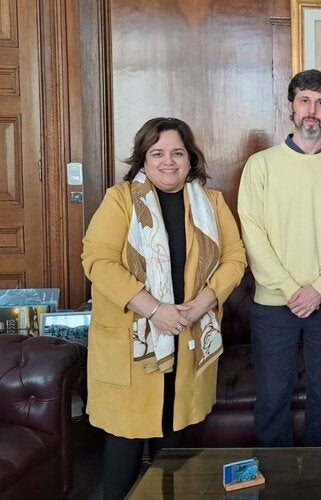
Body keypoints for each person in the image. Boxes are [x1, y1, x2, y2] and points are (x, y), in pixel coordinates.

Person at [82, 117, 247, 499]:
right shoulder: (120, 199)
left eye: (177, 152)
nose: (168, 161)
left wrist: (202, 303)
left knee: (173, 450)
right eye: (157, 153)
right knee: (124, 445)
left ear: (191, 159)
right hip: (134, 347)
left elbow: (235, 258)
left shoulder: (212, 203)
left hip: (187, 338)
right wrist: (155, 309)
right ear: (143, 158)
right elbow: (97, 260)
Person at [238, 69, 321, 447]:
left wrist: (319, 288)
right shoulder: (260, 166)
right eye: (305, 101)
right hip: (274, 305)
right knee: (272, 401)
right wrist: (293, 288)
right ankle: (276, 483)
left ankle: (320, 481)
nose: (313, 109)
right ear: (290, 107)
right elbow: (253, 233)